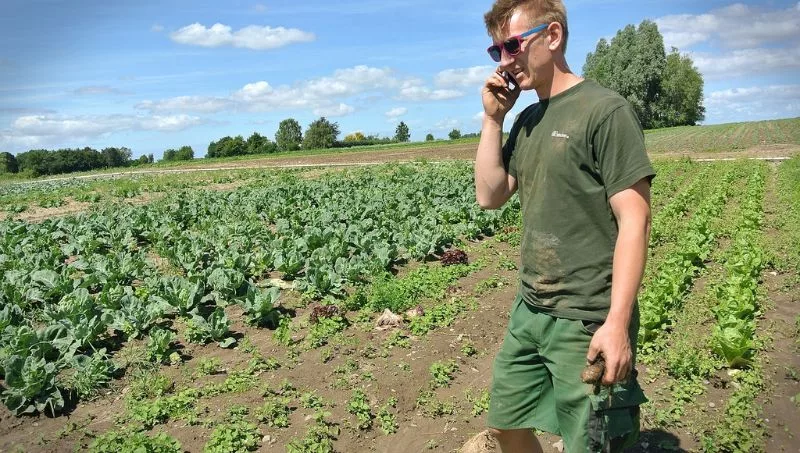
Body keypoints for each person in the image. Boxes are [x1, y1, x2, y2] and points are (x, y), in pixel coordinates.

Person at [475, 1, 656, 452]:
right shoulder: (528, 120)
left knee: (590, 444)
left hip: (587, 316)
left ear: (552, 36)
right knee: (506, 426)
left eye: (512, 46)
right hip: (531, 309)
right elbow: (490, 195)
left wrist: (617, 322)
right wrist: (493, 119)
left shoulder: (604, 111)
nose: (504, 61)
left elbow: (635, 220)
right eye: (496, 51)